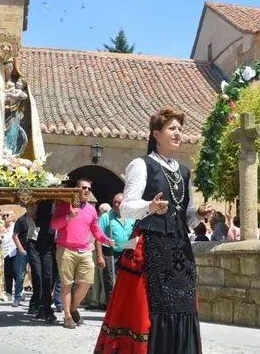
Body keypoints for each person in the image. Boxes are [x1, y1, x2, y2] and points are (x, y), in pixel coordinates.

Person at [95, 107, 214, 353]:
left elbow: (185, 215)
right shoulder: (141, 165)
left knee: (183, 306)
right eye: (172, 128)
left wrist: (199, 214)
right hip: (150, 248)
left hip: (179, 250)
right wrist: (150, 206)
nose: (178, 133)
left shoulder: (184, 171)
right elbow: (127, 207)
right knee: (154, 307)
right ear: (156, 134)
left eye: (180, 129)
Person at [52, 179, 112, 327]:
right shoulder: (65, 205)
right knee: (67, 284)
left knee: (87, 281)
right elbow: (54, 225)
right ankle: (67, 316)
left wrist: (106, 239)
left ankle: (73, 308)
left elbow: (96, 229)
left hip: (84, 249)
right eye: (83, 188)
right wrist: (68, 217)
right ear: (76, 189)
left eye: (88, 189)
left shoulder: (91, 209)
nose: (86, 191)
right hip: (66, 249)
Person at [97, 194, 135, 305]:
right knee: (110, 282)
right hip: (110, 253)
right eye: (114, 202)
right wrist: (99, 256)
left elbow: (137, 234)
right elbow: (98, 237)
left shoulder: (132, 216)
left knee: (127, 281)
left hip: (127, 253)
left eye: (119, 202)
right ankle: (110, 311)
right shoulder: (106, 217)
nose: (116, 204)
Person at [10, 210, 29, 307]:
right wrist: (21, 250)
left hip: (34, 251)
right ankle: (17, 297)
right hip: (23, 251)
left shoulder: (37, 219)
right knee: (20, 275)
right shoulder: (22, 220)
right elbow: (15, 236)